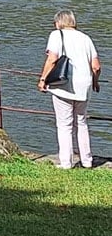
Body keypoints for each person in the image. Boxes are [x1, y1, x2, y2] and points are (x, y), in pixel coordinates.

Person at [36, 9, 101, 170]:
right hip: (84, 86)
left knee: (64, 124)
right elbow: (96, 66)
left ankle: (66, 163)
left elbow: (52, 59)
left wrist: (43, 79)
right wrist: (95, 81)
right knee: (82, 122)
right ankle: (87, 161)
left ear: (58, 22)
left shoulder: (56, 35)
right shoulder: (86, 38)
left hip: (63, 85)